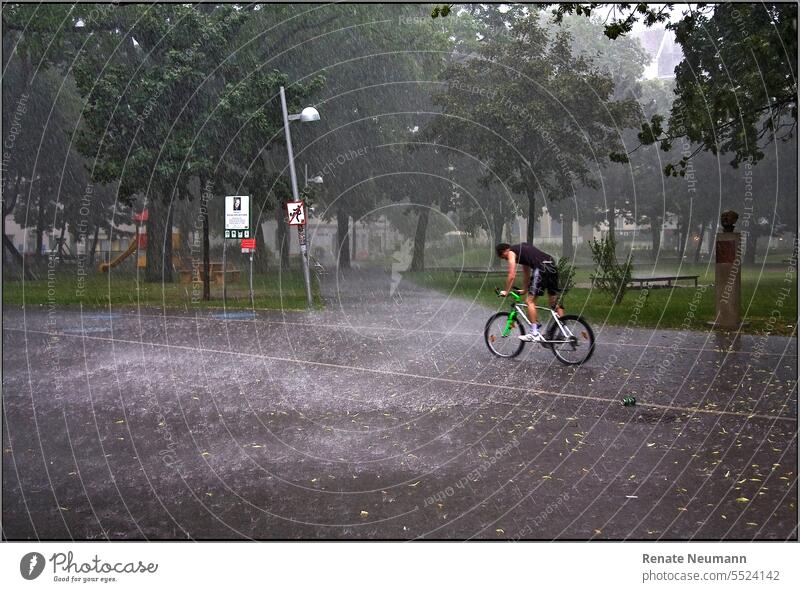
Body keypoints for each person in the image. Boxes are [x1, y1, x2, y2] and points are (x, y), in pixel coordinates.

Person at [496, 242, 564, 342]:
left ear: (505, 251)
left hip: (541, 267)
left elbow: (511, 275)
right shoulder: (522, 250)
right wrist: (525, 289)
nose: (506, 259)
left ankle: (534, 333)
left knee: (530, 301)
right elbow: (526, 273)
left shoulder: (511, 252)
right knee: (553, 302)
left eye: (504, 258)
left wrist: (506, 291)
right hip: (551, 264)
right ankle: (563, 331)